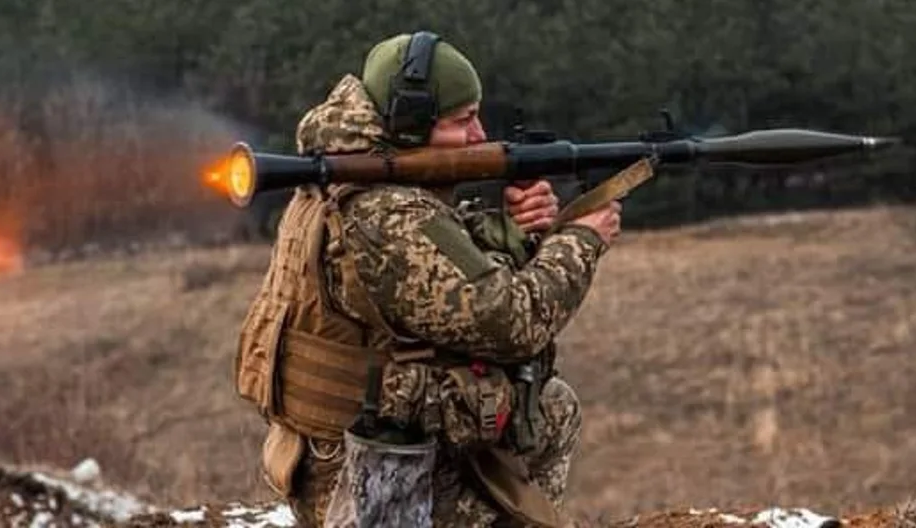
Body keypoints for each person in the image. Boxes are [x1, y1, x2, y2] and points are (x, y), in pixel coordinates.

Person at [232, 31, 623, 528]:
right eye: (462, 121)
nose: (480, 135)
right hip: (363, 481)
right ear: (410, 126)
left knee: (547, 404)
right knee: (549, 411)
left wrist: (509, 231)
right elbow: (513, 323)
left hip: (328, 454)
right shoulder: (385, 211)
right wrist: (581, 239)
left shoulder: (338, 178)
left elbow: (420, 276)